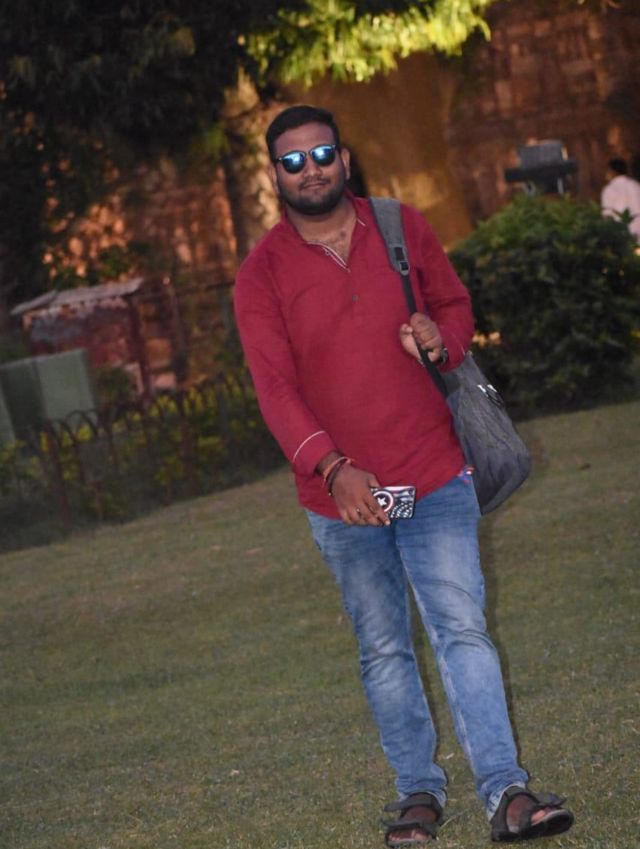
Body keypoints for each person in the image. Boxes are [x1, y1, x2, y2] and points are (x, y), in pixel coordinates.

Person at [233, 104, 574, 846]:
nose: (310, 170)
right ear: (275, 175)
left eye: (321, 154)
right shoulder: (260, 274)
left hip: (432, 469)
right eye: (292, 161)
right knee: (384, 647)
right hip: (341, 498)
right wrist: (333, 468)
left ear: (344, 157)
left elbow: (453, 306)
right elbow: (275, 389)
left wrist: (440, 338)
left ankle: (507, 792)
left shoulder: (399, 225)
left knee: (463, 629)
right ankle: (418, 793)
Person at [600, 157, 640, 241]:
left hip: (622, 235)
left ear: (612, 171)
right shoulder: (636, 186)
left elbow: (607, 215)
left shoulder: (610, 189)